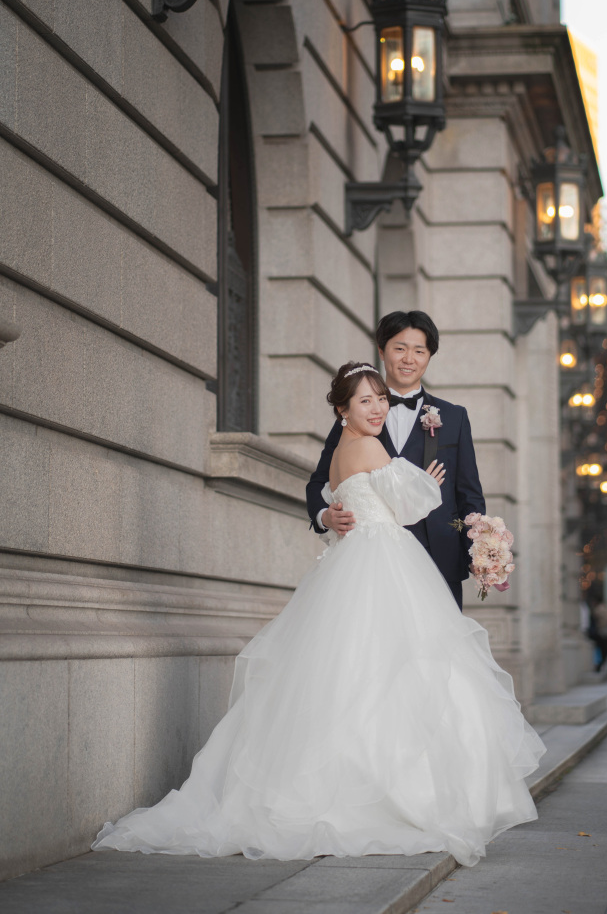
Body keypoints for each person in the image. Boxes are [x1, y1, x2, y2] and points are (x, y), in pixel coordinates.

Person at [92, 362, 545, 866]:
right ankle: (394, 796)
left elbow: (349, 493)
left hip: (354, 560)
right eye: (366, 400)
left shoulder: (346, 450)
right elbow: (411, 505)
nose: (378, 407)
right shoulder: (369, 447)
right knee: (393, 672)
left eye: (381, 398)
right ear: (343, 410)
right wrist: (426, 480)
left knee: (351, 673)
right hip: (382, 559)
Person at [307, 310, 485, 610]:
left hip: (440, 558)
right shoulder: (355, 414)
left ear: (430, 356)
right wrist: (325, 516)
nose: (408, 359)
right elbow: (318, 481)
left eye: (419, 351)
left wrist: (479, 553)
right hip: (372, 565)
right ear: (382, 350)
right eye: (399, 348)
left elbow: (470, 495)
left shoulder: (454, 417)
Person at [590, 596, 607, 672]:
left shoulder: (598, 610)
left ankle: (601, 667)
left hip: (604, 634)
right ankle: (605, 667)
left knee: (603, 652)